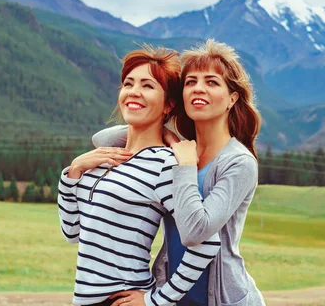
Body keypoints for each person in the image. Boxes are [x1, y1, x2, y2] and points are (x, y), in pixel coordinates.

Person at [93, 39, 266, 306]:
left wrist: (185, 166)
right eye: (190, 82)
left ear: (232, 98)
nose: (199, 88)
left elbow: (197, 232)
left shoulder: (238, 162)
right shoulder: (178, 148)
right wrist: (164, 134)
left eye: (211, 82)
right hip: (172, 295)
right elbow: (102, 139)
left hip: (223, 299)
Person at [58, 45, 221, 306]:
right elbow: (72, 232)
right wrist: (73, 172)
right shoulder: (101, 158)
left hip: (120, 298)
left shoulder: (165, 165)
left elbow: (206, 243)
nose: (134, 92)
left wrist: (157, 300)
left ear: (168, 104)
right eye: (128, 83)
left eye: (147, 85)